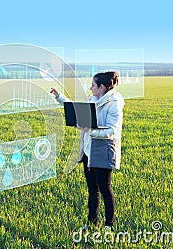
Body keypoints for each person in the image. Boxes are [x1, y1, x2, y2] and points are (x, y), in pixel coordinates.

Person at [50, 71, 124, 231]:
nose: (90, 88)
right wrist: (60, 97)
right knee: (92, 190)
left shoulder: (114, 104)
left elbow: (111, 131)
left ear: (102, 87)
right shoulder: (92, 100)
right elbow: (77, 110)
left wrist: (88, 129)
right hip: (88, 151)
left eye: (93, 85)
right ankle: (92, 222)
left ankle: (109, 225)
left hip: (103, 151)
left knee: (105, 189)